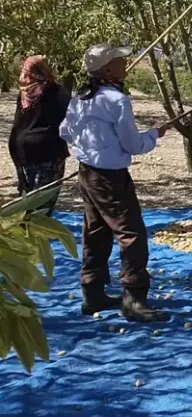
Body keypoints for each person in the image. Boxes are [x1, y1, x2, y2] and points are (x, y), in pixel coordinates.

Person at [59, 44, 170, 323]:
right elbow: (132, 144)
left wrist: (90, 144)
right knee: (130, 232)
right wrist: (155, 133)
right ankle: (134, 297)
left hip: (87, 172)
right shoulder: (116, 100)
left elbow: (64, 131)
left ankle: (92, 291)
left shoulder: (80, 97)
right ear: (107, 69)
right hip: (109, 177)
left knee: (96, 230)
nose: (126, 64)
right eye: (120, 60)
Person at [8, 56, 71, 215]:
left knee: (26, 198)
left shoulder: (24, 92)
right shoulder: (56, 91)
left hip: (20, 150)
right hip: (46, 152)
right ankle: (36, 235)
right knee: (43, 201)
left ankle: (24, 233)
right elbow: (73, 116)